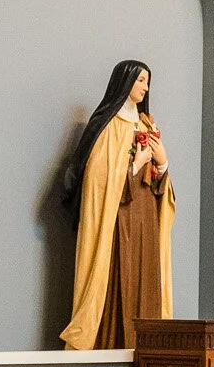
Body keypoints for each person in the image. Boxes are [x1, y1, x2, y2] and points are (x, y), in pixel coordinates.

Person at [60, 58, 176, 349]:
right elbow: (97, 180)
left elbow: (161, 186)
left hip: (146, 217)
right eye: (139, 80)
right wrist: (135, 166)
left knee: (146, 280)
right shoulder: (107, 127)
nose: (145, 87)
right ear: (124, 82)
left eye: (147, 81)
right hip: (118, 220)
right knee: (116, 281)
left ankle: (148, 351)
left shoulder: (147, 125)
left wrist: (162, 165)